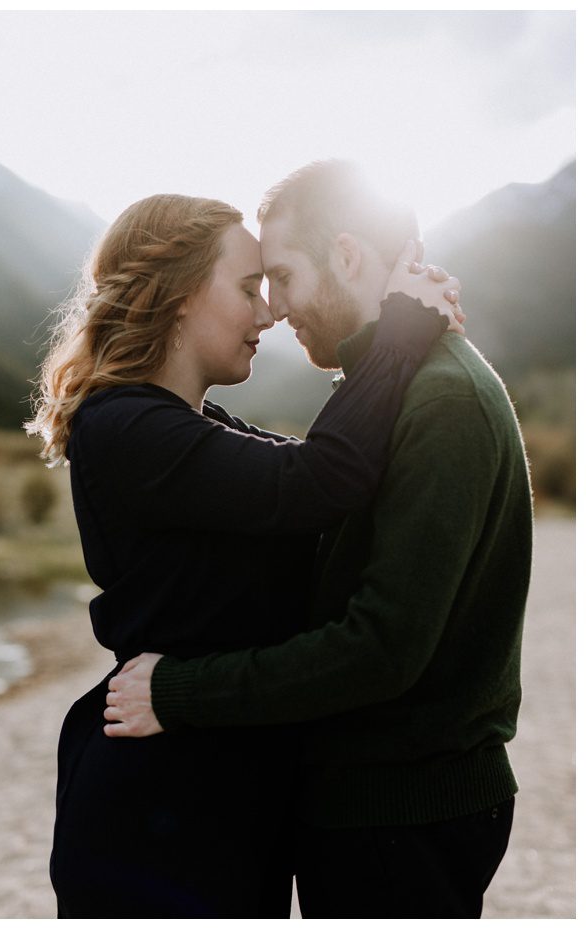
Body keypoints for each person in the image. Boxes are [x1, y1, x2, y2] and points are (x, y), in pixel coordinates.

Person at [102, 161, 532, 917]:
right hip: (368, 809)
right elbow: (303, 491)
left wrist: (180, 689)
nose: (273, 309)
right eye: (253, 286)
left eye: (281, 277)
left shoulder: (441, 400)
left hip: (403, 815)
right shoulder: (396, 394)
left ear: (347, 256)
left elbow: (381, 645)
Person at [24, 190, 459, 915]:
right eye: (250, 287)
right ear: (181, 295)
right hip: (156, 805)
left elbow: (336, 472)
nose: (267, 313)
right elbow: (323, 479)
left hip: (224, 795)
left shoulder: (190, 421)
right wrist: (401, 332)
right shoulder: (126, 428)